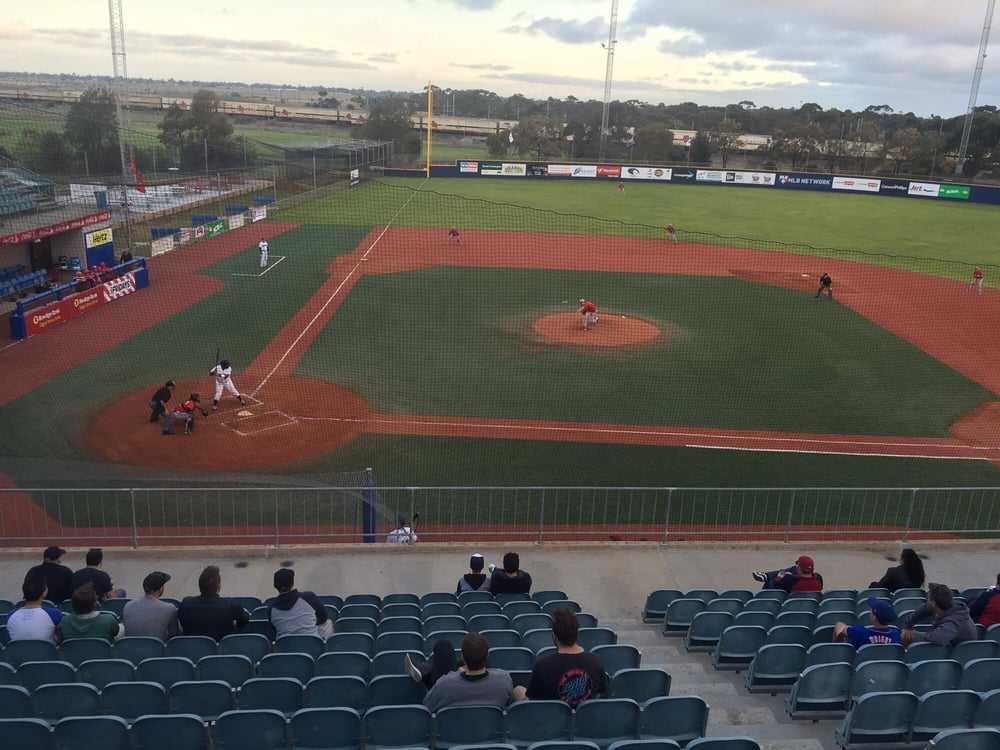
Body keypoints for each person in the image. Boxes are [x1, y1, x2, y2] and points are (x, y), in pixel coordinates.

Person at [512, 608, 607, 706]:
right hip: (585, 718)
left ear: (554, 636)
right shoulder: (596, 662)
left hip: (551, 719)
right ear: (576, 633)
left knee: (518, 691)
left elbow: (533, 698)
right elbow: (602, 694)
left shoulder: (543, 665)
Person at [422, 632, 513, 713]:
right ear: (487, 655)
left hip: (453, 731)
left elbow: (427, 706)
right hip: (489, 730)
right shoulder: (504, 680)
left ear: (462, 656)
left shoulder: (444, 684)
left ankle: (425, 671)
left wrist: (457, 674)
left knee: (443, 646)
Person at [177, 565, 250, 641]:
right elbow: (244, 620)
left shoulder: (186, 604)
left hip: (193, 648)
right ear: (218, 587)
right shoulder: (231, 605)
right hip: (224, 648)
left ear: (200, 586)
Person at [900, 582, 978, 647]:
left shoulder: (954, 622)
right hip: (948, 641)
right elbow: (920, 612)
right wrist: (907, 627)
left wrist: (913, 634)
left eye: (928, 598)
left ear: (933, 603)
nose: (927, 600)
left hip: (960, 651)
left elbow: (938, 639)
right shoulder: (938, 605)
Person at [269, 568, 334, 640]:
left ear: (275, 586)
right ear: (293, 584)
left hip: (286, 647)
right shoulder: (309, 597)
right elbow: (323, 618)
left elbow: (274, 628)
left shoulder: (271, 609)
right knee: (328, 623)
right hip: (312, 645)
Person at [7, 571, 64, 643]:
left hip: (18, 654)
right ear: (44, 593)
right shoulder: (54, 614)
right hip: (45, 653)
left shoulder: (11, 615)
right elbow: (60, 639)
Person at [121, 571, 180, 640]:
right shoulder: (170, 608)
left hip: (130, 648)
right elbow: (173, 636)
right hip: (156, 649)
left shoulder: (128, 605)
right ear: (161, 589)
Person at [833, 598, 901, 647]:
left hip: (858, 665)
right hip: (885, 666)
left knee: (839, 625)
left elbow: (843, 629)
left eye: (871, 610)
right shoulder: (896, 635)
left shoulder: (859, 631)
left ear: (874, 618)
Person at [751, 555, 823, 593]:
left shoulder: (790, 579)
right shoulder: (819, 578)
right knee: (792, 569)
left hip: (791, 601)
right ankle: (766, 575)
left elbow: (776, 581)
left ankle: (767, 576)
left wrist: (782, 574)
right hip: (807, 603)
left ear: (800, 569)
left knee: (771, 580)